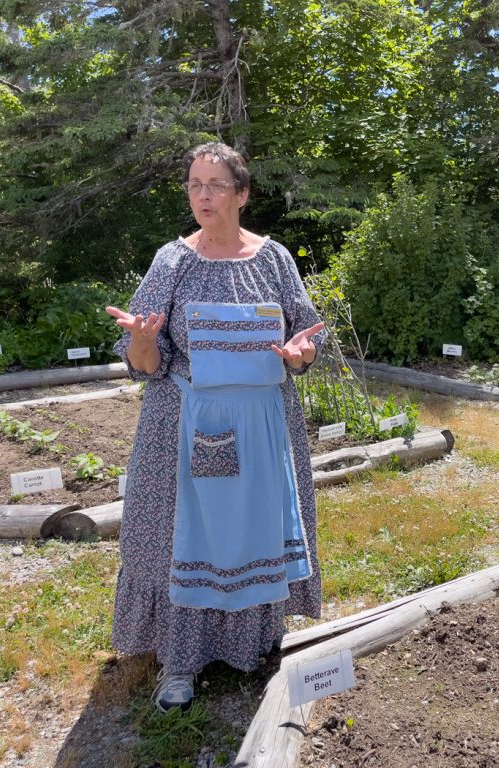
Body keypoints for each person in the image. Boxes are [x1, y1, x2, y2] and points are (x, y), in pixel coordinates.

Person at [105, 141, 327, 712]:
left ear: (243, 194)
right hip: (184, 423)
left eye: (216, 185)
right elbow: (144, 366)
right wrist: (143, 339)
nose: (202, 195)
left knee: (254, 529)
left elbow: (305, 337)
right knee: (184, 536)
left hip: (262, 424)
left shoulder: (275, 259)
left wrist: (302, 355)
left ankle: (253, 644)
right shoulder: (171, 262)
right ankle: (179, 661)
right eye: (194, 184)